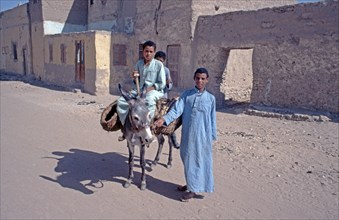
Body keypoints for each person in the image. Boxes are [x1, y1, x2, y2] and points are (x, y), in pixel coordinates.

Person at [154, 67, 217, 202]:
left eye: (203, 78)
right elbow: (176, 111)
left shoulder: (211, 99)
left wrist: (212, 135)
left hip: (203, 136)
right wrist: (164, 119)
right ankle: (190, 183)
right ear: (194, 79)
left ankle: (193, 190)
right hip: (188, 135)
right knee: (187, 158)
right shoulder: (186, 95)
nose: (200, 81)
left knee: (199, 161)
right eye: (198, 78)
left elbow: (212, 119)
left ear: (207, 80)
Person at [117, 40, 166, 141]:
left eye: (151, 52)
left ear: (154, 52)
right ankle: (125, 128)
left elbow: (162, 84)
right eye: (146, 51)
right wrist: (134, 77)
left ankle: (149, 127)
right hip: (139, 90)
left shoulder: (158, 65)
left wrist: (150, 89)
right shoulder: (139, 64)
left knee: (149, 100)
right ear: (143, 52)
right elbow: (136, 82)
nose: (148, 54)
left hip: (154, 91)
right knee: (121, 101)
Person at [154, 51, 180, 149]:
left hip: (162, 99)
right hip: (150, 98)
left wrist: (168, 83)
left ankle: (173, 138)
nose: (159, 63)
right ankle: (127, 132)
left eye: (161, 61)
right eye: (157, 60)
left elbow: (170, 86)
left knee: (168, 121)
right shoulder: (148, 68)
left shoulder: (166, 71)